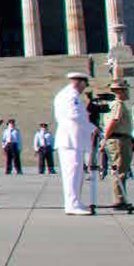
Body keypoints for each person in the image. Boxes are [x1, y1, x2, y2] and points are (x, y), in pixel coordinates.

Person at [53, 74, 95, 215]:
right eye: (84, 85)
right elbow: (74, 115)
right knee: (72, 173)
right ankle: (72, 204)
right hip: (70, 139)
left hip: (73, 139)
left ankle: (75, 202)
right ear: (80, 83)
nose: (84, 88)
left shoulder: (67, 94)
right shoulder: (70, 95)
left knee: (75, 173)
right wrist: (93, 128)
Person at [101, 81, 134, 213]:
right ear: (119, 92)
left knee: (120, 170)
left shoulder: (112, 105)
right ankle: (119, 200)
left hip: (121, 138)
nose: (128, 92)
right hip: (119, 140)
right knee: (120, 171)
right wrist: (104, 138)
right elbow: (114, 121)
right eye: (125, 90)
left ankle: (121, 199)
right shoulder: (118, 104)